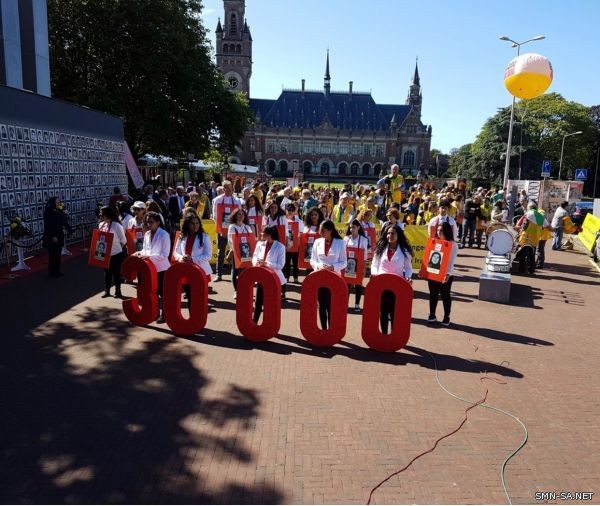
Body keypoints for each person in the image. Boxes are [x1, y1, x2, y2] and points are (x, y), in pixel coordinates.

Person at [371, 224, 412, 334]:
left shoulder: (404, 251)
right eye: (388, 233)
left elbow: (408, 268)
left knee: (394, 312)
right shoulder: (380, 248)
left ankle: (394, 335)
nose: (390, 235)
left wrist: (408, 277)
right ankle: (384, 334)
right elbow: (374, 264)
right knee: (383, 311)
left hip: (396, 285)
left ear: (398, 235)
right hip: (381, 284)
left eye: (393, 233)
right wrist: (375, 274)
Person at [133, 211, 171, 323]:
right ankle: (155, 313)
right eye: (147, 222)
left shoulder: (164, 234)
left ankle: (164, 315)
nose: (148, 224)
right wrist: (139, 253)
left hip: (162, 269)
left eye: (151, 222)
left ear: (158, 222)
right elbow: (146, 250)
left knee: (162, 293)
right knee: (152, 292)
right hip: (149, 268)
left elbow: (165, 255)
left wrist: (147, 256)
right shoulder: (147, 234)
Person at [310, 220, 347, 330]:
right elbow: (312, 260)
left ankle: (332, 330)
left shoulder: (340, 243)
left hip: (334, 279)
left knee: (332, 306)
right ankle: (324, 330)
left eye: (323, 230)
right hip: (320, 277)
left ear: (330, 231)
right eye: (320, 229)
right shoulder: (317, 242)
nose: (320, 232)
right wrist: (318, 266)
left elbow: (344, 262)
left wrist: (332, 267)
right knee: (321, 306)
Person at [172, 214, 213, 298]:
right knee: (189, 295)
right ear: (187, 224)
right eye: (192, 223)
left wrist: (192, 259)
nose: (195, 226)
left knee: (198, 297)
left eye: (197, 223)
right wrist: (181, 257)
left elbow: (208, 255)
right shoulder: (182, 236)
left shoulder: (205, 237)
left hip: (201, 270)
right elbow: (176, 252)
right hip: (185, 269)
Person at [427, 222, 459, 326]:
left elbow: (451, 262)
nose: (438, 232)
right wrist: (424, 270)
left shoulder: (453, 245)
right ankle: (432, 314)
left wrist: (448, 274)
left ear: (447, 232)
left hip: (446, 274)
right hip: (434, 272)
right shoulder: (434, 242)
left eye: (441, 231)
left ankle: (446, 316)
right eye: (438, 230)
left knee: (445, 295)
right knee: (433, 294)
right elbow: (429, 257)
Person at [252, 225, 286, 322]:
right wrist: (256, 262)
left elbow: (280, 265)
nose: (262, 234)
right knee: (258, 302)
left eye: (264, 233)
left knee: (270, 303)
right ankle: (254, 322)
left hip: (273, 278)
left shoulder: (280, 247)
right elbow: (254, 256)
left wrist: (266, 264)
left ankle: (271, 325)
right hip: (261, 276)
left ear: (270, 235)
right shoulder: (259, 244)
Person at [212, 180, 242, 281]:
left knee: (236, 251)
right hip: (222, 231)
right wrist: (222, 230)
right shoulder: (217, 200)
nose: (229, 190)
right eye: (227, 188)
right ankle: (218, 274)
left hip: (234, 230)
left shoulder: (237, 201)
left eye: (230, 188)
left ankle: (237, 273)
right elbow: (215, 216)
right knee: (221, 252)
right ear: (223, 189)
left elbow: (239, 216)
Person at [98, 206, 127, 298]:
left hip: (116, 254)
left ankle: (118, 292)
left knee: (116, 273)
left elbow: (123, 240)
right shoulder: (101, 225)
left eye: (101, 213)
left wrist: (117, 249)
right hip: (104, 253)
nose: (100, 215)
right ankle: (107, 291)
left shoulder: (116, 225)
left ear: (107, 214)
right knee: (107, 273)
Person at [43, 196, 73, 278]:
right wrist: (53, 236)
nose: (59, 203)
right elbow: (48, 225)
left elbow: (64, 221)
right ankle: (52, 272)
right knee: (53, 255)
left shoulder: (59, 211)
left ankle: (57, 270)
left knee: (58, 254)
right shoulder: (48, 212)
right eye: (57, 202)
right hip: (51, 236)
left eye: (59, 202)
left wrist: (70, 230)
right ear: (53, 203)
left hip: (59, 235)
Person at [227, 208, 254, 299]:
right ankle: (236, 291)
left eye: (242, 214)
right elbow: (231, 241)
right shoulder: (232, 227)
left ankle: (244, 288)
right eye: (239, 214)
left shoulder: (247, 227)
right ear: (235, 216)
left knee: (245, 271)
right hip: (236, 252)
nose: (241, 216)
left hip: (246, 252)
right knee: (235, 272)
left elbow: (251, 239)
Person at [344, 219, 369, 311]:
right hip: (347, 265)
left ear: (358, 227)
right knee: (347, 284)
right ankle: (345, 303)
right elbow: (343, 252)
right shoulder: (346, 239)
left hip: (358, 264)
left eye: (353, 227)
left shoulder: (363, 240)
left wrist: (364, 267)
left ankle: (357, 304)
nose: (351, 229)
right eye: (350, 227)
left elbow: (365, 255)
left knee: (358, 284)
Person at [284, 203, 303, 284]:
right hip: (286, 245)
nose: (290, 212)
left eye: (292, 210)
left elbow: (301, 232)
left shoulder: (299, 221)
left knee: (295, 263)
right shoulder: (283, 220)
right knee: (287, 263)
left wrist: (296, 240)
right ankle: (287, 277)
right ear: (286, 211)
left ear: (295, 211)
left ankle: (295, 278)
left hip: (295, 244)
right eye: (289, 210)